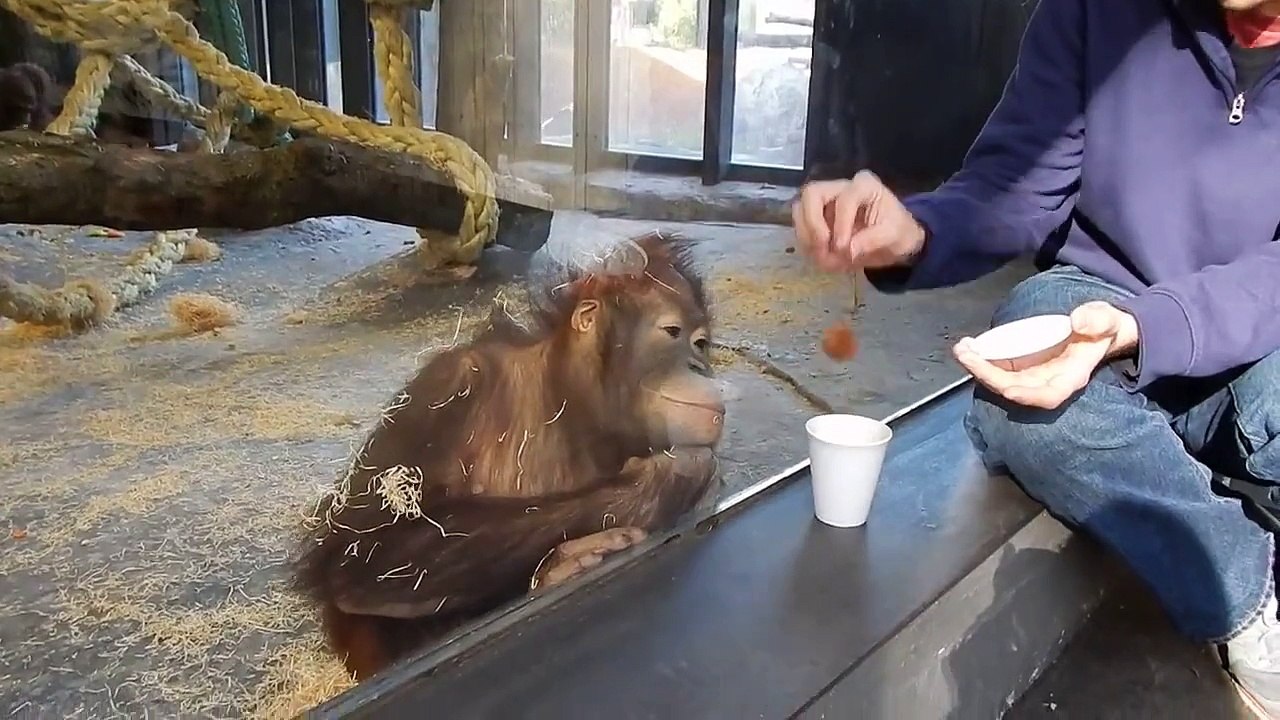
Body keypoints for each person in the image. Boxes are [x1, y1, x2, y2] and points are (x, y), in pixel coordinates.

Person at [792, 0, 1280, 715]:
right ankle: (1246, 590)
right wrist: (916, 231)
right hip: (1097, 296)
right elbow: (1019, 187)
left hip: (1255, 330)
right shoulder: (1094, 11)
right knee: (1019, 396)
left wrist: (1150, 325)